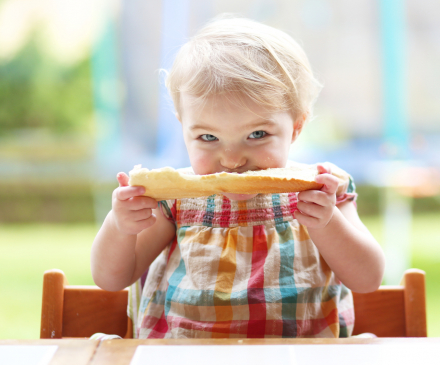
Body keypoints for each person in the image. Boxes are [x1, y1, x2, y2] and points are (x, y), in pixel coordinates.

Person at [91, 16, 385, 339]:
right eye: (208, 138)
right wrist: (120, 227)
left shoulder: (323, 189)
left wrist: (328, 224)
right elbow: (112, 278)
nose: (232, 160)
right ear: (183, 127)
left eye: (257, 134)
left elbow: (368, 278)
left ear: (296, 126)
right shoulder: (173, 199)